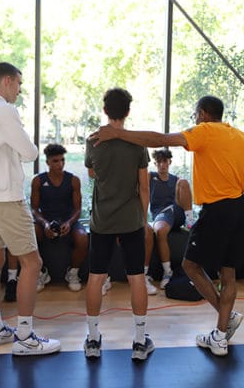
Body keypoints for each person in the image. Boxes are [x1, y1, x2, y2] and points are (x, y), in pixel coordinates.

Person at [90, 95, 244, 357]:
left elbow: (161, 139)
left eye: (195, 114)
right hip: (239, 211)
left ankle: (225, 321)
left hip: (216, 211)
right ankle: (221, 335)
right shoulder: (242, 137)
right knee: (229, 274)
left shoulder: (205, 131)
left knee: (190, 266)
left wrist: (119, 134)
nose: (195, 119)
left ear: (203, 113)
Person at [0, 62, 60, 355]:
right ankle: (25, 337)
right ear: (7, 81)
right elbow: (30, 152)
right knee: (32, 263)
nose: (20, 90)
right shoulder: (4, 110)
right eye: (19, 84)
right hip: (6, 197)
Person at [83, 88, 153, 361]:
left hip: (102, 220)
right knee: (137, 277)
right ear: (128, 111)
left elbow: (92, 172)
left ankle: (92, 340)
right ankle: (139, 342)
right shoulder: (137, 144)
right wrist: (143, 219)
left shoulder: (93, 141)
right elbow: (144, 186)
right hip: (131, 220)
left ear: (105, 110)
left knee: (96, 277)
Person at [30, 143, 89, 292]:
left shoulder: (73, 180)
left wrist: (69, 223)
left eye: (62, 160)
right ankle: (41, 272)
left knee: (82, 237)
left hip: (68, 220)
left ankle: (73, 273)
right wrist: (45, 224)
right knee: (30, 235)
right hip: (46, 220)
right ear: (47, 162)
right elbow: (34, 209)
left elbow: (78, 210)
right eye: (55, 161)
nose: (60, 164)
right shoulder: (38, 181)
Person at [143, 148, 195, 295]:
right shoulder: (150, 176)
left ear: (169, 162)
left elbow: (182, 196)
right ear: (155, 164)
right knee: (160, 231)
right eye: (159, 162)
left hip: (177, 212)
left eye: (164, 162)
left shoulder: (176, 179)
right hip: (161, 215)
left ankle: (190, 220)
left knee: (183, 182)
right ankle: (167, 272)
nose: (162, 165)